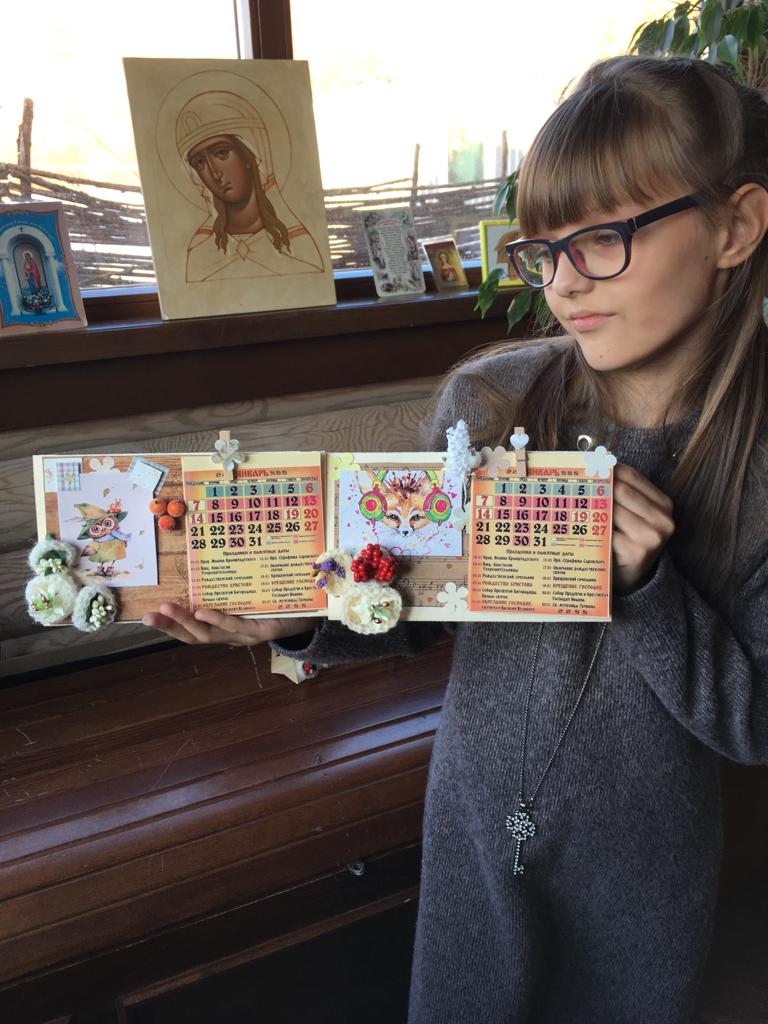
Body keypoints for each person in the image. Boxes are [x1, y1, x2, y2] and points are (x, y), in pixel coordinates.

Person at [144, 55, 768, 1023]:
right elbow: (414, 596)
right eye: (542, 250)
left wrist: (651, 589)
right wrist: (298, 620)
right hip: (474, 834)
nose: (564, 281)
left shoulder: (756, 464)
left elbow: (753, 721)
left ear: (735, 227)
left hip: (644, 869)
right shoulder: (493, 400)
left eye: (605, 237)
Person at [175, 92, 325, 282]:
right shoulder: (200, 258)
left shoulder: (299, 249)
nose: (214, 173)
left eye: (222, 153)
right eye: (199, 163)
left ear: (249, 156)